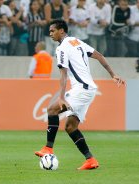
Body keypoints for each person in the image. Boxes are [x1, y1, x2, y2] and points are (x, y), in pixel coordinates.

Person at [34, 19, 125, 170]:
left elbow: (63, 74)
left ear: (61, 30)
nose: (50, 34)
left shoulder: (62, 48)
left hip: (81, 89)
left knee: (52, 110)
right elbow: (99, 55)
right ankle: (90, 160)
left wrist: (62, 97)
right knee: (71, 127)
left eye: (52, 31)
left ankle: (48, 148)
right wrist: (112, 74)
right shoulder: (76, 42)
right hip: (88, 89)